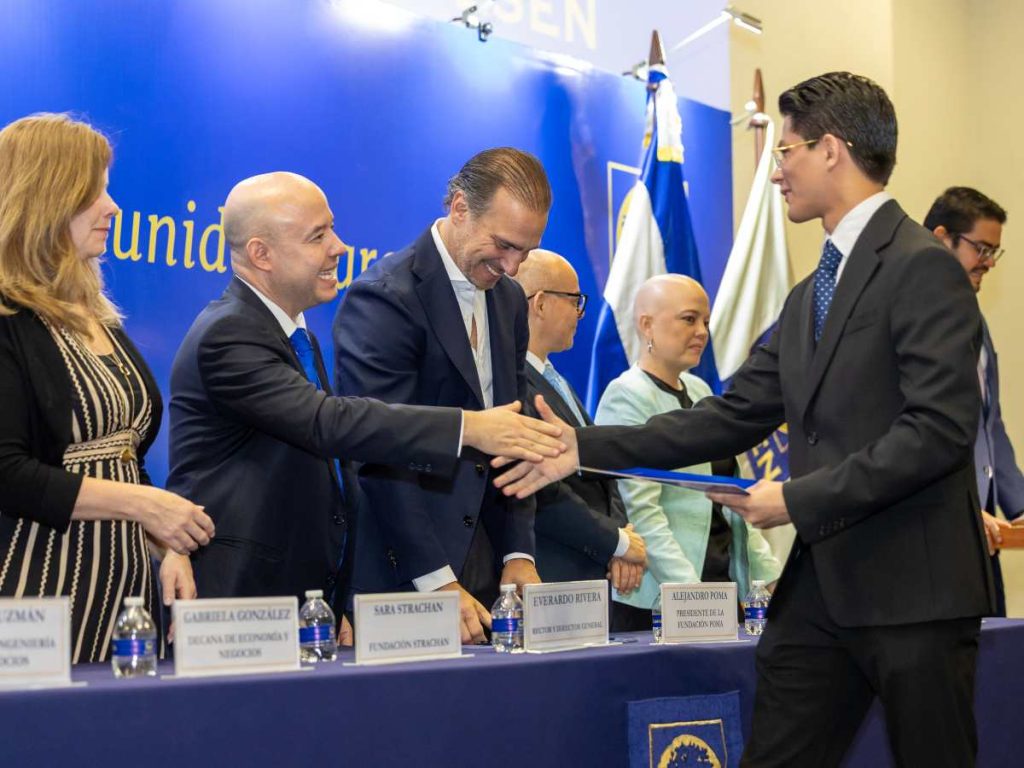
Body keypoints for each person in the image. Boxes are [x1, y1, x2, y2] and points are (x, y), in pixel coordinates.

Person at [495, 72, 994, 767]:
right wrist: (579, 447)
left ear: (831, 150)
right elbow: (724, 418)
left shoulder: (923, 270)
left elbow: (935, 432)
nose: (776, 170)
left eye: (784, 150)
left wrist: (794, 498)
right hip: (822, 594)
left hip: (916, 593)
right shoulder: (806, 296)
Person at [167, 171, 563, 640]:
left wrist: (339, 600)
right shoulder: (227, 334)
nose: (338, 247)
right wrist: (468, 428)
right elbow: (330, 423)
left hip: (303, 598)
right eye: (318, 236)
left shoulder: (294, 335)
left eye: (332, 229)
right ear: (261, 254)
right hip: (240, 598)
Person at [0, 113, 215, 663]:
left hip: (121, 599)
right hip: (29, 591)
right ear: (47, 197)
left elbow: (121, 457)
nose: (113, 207)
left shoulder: (100, 317)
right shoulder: (7, 319)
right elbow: (7, 471)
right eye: (96, 192)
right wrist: (145, 505)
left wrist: (164, 543)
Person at [333, 148, 549, 644]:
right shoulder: (386, 295)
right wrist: (436, 579)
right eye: (503, 244)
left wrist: (519, 552)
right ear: (458, 209)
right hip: (403, 571)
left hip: (483, 572)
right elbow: (379, 453)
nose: (513, 266)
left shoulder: (509, 300)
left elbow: (513, 437)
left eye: (526, 251)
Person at [595, 274, 780, 630]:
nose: (701, 332)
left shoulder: (700, 391)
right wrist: (694, 596)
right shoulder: (626, 396)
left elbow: (734, 500)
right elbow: (642, 511)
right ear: (646, 324)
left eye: (706, 322)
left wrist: (768, 579)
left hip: (722, 585)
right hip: (662, 599)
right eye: (689, 319)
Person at [512, 249, 646, 608]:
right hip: (551, 576)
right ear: (539, 304)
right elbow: (541, 490)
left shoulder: (556, 380)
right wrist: (615, 541)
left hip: (590, 575)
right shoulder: (513, 385)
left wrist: (622, 538)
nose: (581, 313)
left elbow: (602, 471)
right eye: (575, 300)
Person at [924, 187, 1022, 616]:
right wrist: (960, 507)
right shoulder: (910, 317)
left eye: (994, 252)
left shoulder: (974, 321)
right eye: (981, 248)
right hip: (930, 527)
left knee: (992, 664)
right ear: (942, 237)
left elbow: (990, 426)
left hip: (984, 529)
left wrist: (1019, 507)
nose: (987, 263)